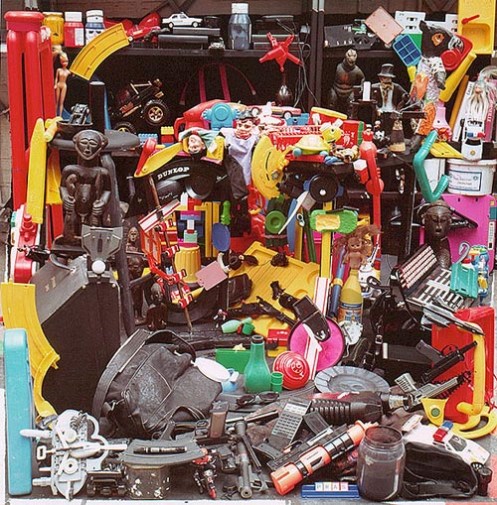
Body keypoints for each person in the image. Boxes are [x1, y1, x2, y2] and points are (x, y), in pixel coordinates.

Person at [59, 129, 111, 244]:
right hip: (74, 208)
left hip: (93, 209)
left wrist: (102, 201)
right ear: (77, 144)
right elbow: (63, 187)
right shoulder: (69, 170)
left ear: (99, 147)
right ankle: (70, 240)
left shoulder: (102, 172)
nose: (87, 148)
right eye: (84, 143)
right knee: (71, 227)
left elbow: (107, 190)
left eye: (92, 143)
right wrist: (65, 197)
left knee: (94, 231)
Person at [328, 48, 365, 115]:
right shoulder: (338, 67)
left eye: (354, 56)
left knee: (351, 105)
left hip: (349, 91)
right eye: (349, 56)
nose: (351, 59)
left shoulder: (356, 70)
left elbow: (363, 78)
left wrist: (362, 86)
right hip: (336, 90)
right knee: (332, 99)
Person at [421, 199, 452, 268]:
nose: (439, 227)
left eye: (443, 221)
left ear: (449, 222)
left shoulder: (442, 250)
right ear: (425, 221)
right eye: (434, 221)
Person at [54, 52, 71, 116]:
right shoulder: (59, 70)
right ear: (61, 62)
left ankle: (60, 115)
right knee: (56, 101)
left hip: (64, 86)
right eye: (63, 61)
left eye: (66, 61)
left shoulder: (68, 72)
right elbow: (56, 78)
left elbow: (73, 75)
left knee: (61, 102)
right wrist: (55, 84)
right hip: (59, 84)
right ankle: (55, 114)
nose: (65, 63)